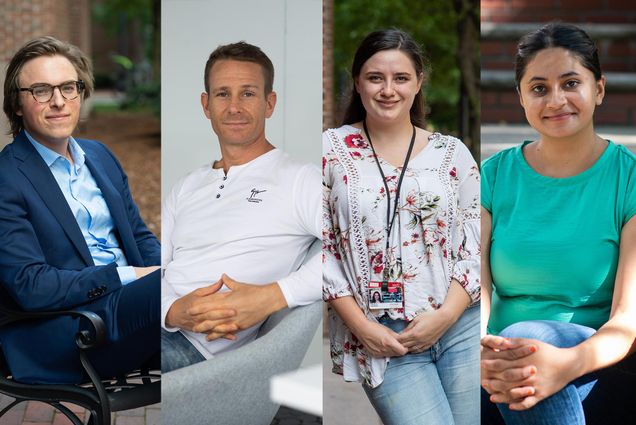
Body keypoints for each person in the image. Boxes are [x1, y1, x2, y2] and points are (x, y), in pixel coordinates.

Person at [481, 23, 636, 424]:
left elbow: (625, 322)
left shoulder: (628, 180)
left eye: (570, 83)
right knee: (514, 362)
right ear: (520, 97)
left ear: (598, 89)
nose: (556, 100)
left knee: (527, 349)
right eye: (538, 88)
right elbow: (472, 294)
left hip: (594, 363)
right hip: (499, 362)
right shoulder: (493, 177)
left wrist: (564, 363)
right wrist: (482, 350)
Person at [323, 29, 480, 424]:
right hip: (383, 336)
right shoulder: (329, 151)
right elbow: (318, 249)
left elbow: (477, 242)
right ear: (357, 83)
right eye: (376, 78)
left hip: (459, 325)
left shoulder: (453, 154)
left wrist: (446, 316)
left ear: (419, 82)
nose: (388, 90)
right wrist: (362, 328)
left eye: (401, 78)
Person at [0, 36, 160, 384]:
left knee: (208, 275)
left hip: (136, 308)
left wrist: (171, 266)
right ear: (16, 104)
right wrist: (133, 277)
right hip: (74, 327)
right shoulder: (7, 177)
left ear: (80, 92)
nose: (58, 102)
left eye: (68, 87)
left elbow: (140, 236)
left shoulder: (99, 155)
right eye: (41, 91)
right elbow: (31, 285)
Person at [161, 42, 320, 371]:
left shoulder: (300, 180)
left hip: (200, 355)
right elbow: (154, 268)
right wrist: (170, 311)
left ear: (269, 103)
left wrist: (274, 296)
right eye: (222, 94)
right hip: (156, 326)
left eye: (247, 93)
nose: (234, 107)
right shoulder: (185, 187)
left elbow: (355, 246)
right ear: (206, 105)